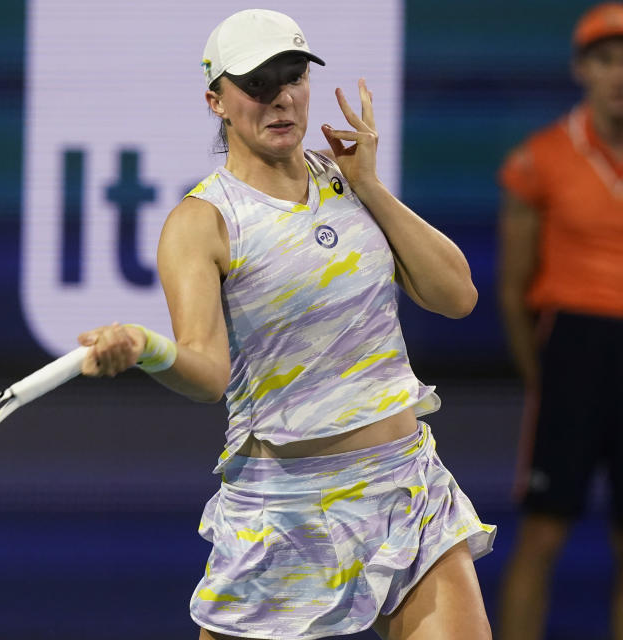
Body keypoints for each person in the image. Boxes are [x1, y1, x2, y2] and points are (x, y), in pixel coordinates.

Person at [79, 9, 495, 639]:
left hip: (404, 487)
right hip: (285, 509)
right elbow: (207, 374)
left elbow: (458, 295)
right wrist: (146, 347)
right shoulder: (203, 222)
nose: (280, 97)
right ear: (216, 100)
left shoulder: (348, 182)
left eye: (292, 76)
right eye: (256, 83)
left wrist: (371, 187)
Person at [495, 4, 623, 639]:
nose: (621, 74)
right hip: (574, 347)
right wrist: (543, 377)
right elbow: (513, 287)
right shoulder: (539, 160)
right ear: (582, 69)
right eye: (606, 60)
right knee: (543, 531)